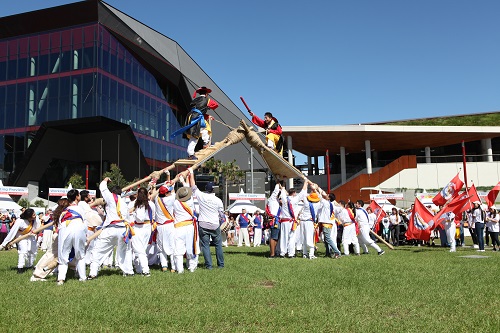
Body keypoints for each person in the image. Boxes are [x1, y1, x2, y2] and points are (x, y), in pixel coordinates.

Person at [88, 177, 135, 280]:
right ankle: (129, 271)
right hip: (123, 229)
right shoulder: (124, 204)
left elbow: (102, 187)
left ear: (113, 192)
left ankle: (93, 273)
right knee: (125, 251)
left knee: (98, 250)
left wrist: (105, 180)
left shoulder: (110, 197)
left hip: (111, 229)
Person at [171, 86, 219, 159]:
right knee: (206, 129)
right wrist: (208, 107)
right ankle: (206, 143)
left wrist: (207, 113)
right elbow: (215, 105)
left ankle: (190, 154)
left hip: (191, 117)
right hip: (197, 118)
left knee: (194, 136)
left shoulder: (195, 100)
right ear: (206, 94)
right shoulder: (207, 100)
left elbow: (199, 110)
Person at [189, 174, 224, 270]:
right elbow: (221, 215)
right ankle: (220, 265)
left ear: (206, 189)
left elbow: (193, 186)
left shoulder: (201, 196)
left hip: (203, 223)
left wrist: (191, 173)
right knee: (218, 245)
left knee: (205, 245)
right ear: (214, 190)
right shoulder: (218, 200)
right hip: (215, 224)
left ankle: (209, 266)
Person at [56, 189, 88, 285]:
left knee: (63, 254)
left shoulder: (63, 210)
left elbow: (59, 224)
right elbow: (85, 222)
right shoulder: (81, 208)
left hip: (65, 228)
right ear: (77, 196)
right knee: (80, 254)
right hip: (78, 227)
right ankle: (82, 277)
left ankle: (61, 279)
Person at [0, 208, 40, 273]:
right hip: (21, 237)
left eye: (34, 214)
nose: (35, 216)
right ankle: (20, 267)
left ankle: (29, 265)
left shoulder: (35, 219)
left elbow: (37, 227)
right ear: (28, 216)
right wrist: (4, 243)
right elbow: (12, 232)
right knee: (23, 251)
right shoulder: (20, 221)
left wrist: (34, 232)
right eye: (33, 215)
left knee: (32, 250)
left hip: (30, 236)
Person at [172, 177, 199, 273]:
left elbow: (171, 193)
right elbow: (188, 189)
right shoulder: (190, 201)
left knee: (178, 249)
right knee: (190, 247)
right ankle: (191, 267)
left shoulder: (175, 203)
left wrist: (174, 182)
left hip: (178, 227)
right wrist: (183, 181)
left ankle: (180, 270)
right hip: (189, 227)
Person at [130, 187, 155, 276]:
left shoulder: (138, 204)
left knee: (139, 250)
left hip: (139, 227)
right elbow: (153, 215)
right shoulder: (151, 204)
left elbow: (140, 218)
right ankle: (139, 268)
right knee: (141, 249)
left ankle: (145, 270)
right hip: (148, 227)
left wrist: (133, 213)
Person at [153, 182, 177, 272]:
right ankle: (173, 267)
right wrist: (171, 183)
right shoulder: (170, 199)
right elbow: (174, 192)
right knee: (171, 245)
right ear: (166, 193)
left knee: (161, 246)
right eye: (168, 192)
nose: (170, 192)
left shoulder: (157, 199)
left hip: (160, 226)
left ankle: (164, 266)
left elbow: (155, 192)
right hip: (169, 225)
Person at [317, 188, 341, 259]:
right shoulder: (331, 204)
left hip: (327, 223)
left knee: (327, 239)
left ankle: (337, 252)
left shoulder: (326, 203)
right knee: (326, 239)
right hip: (328, 223)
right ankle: (328, 253)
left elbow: (320, 196)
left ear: (329, 198)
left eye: (328, 195)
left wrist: (316, 189)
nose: (326, 195)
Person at [277, 186, 301, 258]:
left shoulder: (285, 199)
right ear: (294, 193)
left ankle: (282, 253)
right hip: (292, 221)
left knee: (284, 237)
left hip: (285, 221)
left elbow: (283, 193)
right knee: (292, 238)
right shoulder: (295, 200)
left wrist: (283, 187)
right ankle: (291, 254)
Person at [266, 183, 281, 258]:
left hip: (277, 220)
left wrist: (283, 183)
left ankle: (273, 252)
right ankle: (272, 254)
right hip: (274, 220)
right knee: (273, 237)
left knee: (276, 237)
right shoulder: (272, 199)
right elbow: (276, 191)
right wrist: (278, 182)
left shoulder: (276, 200)